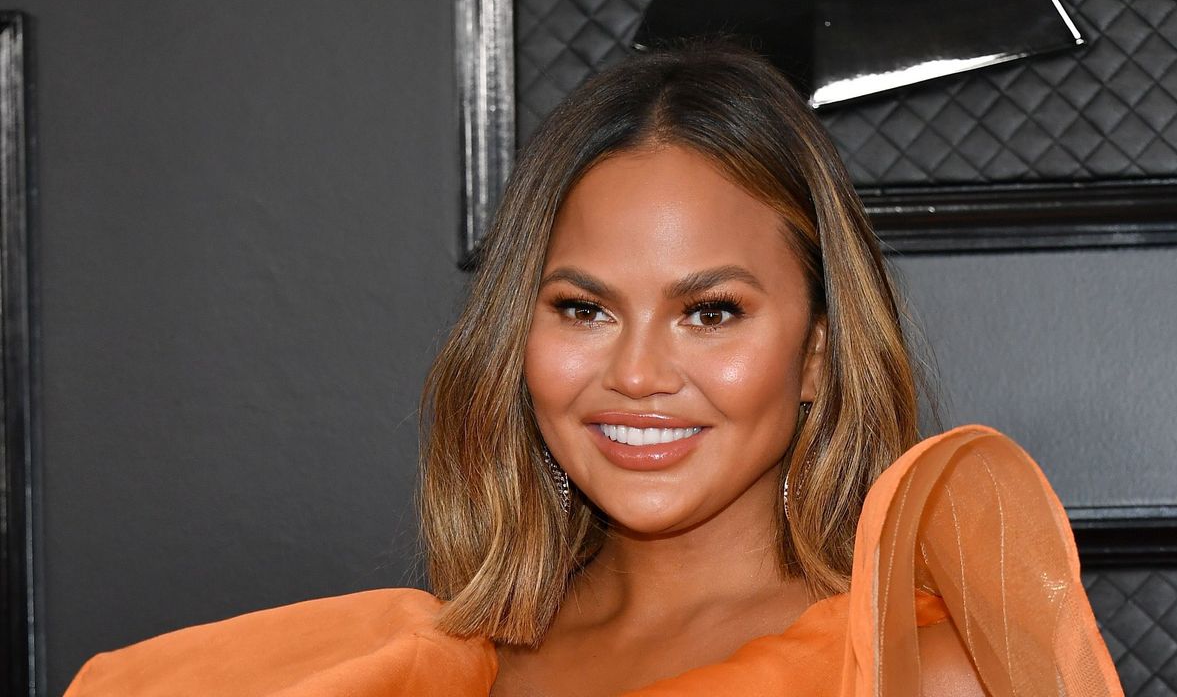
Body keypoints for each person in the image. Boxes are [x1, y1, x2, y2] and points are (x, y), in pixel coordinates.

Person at [64, 43, 1123, 696]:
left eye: (709, 312)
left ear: (814, 354)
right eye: (582, 308)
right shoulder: (425, 669)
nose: (638, 373)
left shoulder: (921, 674)